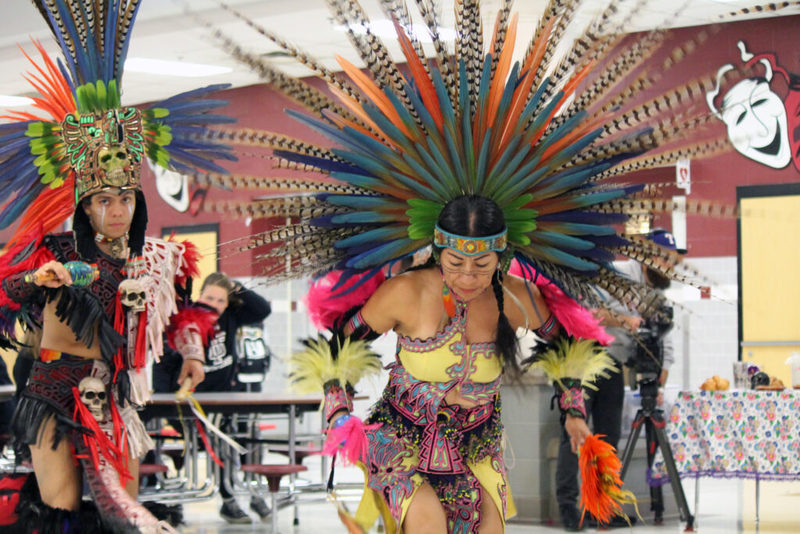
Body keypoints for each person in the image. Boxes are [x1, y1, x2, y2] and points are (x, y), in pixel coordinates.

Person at [0, 3, 234, 530]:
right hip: (53, 387)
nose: (115, 210)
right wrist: (35, 281)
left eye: (124, 197)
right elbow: (8, 292)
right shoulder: (57, 252)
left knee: (119, 514)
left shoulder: (159, 258)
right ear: (86, 206)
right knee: (60, 509)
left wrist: (192, 354)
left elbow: (179, 317)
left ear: (137, 200)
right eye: (103, 200)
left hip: (118, 394)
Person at [555, 228, 683, 530]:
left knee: (608, 438)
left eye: (675, 262)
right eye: (667, 260)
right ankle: (569, 508)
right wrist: (625, 321)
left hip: (613, 362)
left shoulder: (659, 294)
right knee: (575, 433)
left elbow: (666, 345)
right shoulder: (617, 274)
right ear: (649, 256)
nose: (672, 267)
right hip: (582, 355)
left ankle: (602, 508)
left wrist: (659, 380)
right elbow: (588, 311)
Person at [153, 272, 272, 523]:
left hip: (227, 399)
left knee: (251, 436)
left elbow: (262, 310)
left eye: (220, 301)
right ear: (199, 296)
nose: (214, 305)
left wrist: (238, 288)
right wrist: (166, 403)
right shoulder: (186, 319)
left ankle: (254, 493)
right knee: (223, 440)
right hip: (191, 404)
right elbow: (162, 364)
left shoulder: (231, 317)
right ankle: (227, 500)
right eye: (209, 298)